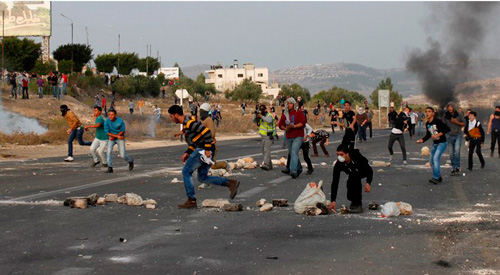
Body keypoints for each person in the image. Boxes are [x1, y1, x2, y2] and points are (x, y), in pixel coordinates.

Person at [167, 105, 239, 209]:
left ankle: (191, 200)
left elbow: (207, 132)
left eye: (171, 116)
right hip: (205, 150)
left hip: (203, 151)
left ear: (176, 115)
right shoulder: (187, 124)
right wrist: (187, 152)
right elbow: (196, 141)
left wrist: (207, 149)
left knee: (186, 171)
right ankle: (230, 183)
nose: (171, 119)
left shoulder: (189, 123)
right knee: (202, 177)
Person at [328, 144, 372, 214]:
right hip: (352, 173)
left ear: (347, 154)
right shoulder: (339, 164)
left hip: (362, 171)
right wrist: (333, 200)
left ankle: (358, 204)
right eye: (337, 154)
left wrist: (368, 183)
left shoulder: (357, 157)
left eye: (341, 154)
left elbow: (369, 170)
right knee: (350, 193)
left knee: (356, 179)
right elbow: (335, 182)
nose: (339, 156)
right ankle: (353, 201)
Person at [417, 107, 450, 184]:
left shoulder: (438, 121)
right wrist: (422, 140)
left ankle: (435, 177)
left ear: (433, 113)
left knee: (435, 158)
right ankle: (438, 177)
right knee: (431, 161)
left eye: (429, 111)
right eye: (426, 112)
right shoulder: (427, 123)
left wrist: (439, 134)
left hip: (442, 143)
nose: (427, 113)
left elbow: (447, 129)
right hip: (435, 144)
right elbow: (428, 135)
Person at [278, 97, 306, 179]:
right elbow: (280, 125)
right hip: (289, 136)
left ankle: (293, 170)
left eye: (290, 103)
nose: (289, 105)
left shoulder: (298, 112)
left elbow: (303, 123)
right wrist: (285, 128)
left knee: (294, 151)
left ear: (294, 104)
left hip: (298, 135)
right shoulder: (285, 114)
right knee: (292, 153)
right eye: (288, 103)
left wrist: (294, 126)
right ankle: (299, 167)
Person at [443, 103, 466, 175]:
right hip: (449, 135)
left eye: (451, 107)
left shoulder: (459, 114)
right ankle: (453, 167)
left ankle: (457, 167)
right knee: (451, 153)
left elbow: (464, 123)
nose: (450, 108)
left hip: (458, 135)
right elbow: (443, 125)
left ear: (454, 107)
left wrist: (456, 122)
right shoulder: (446, 115)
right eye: (448, 107)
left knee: (456, 151)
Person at [253, 104, 275, 170]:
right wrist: (256, 115)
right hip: (263, 136)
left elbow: (269, 121)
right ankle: (270, 165)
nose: (261, 111)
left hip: (269, 136)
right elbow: (254, 121)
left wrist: (261, 116)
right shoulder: (260, 116)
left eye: (262, 109)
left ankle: (266, 164)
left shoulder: (270, 115)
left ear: (266, 110)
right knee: (264, 151)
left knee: (266, 150)